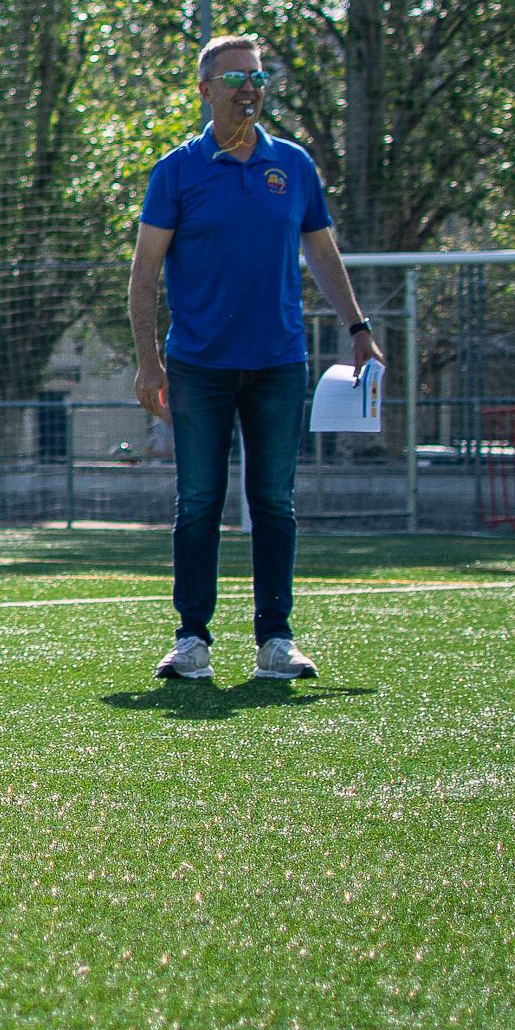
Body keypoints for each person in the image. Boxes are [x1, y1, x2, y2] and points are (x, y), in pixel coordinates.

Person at [130, 35, 382, 684]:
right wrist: (148, 362)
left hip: (278, 364)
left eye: (258, 77)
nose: (250, 88)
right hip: (198, 367)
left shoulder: (293, 165)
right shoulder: (176, 171)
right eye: (236, 77)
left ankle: (276, 640)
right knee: (199, 501)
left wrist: (357, 327)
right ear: (205, 90)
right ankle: (191, 640)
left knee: (273, 501)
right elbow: (145, 272)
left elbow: (321, 252)